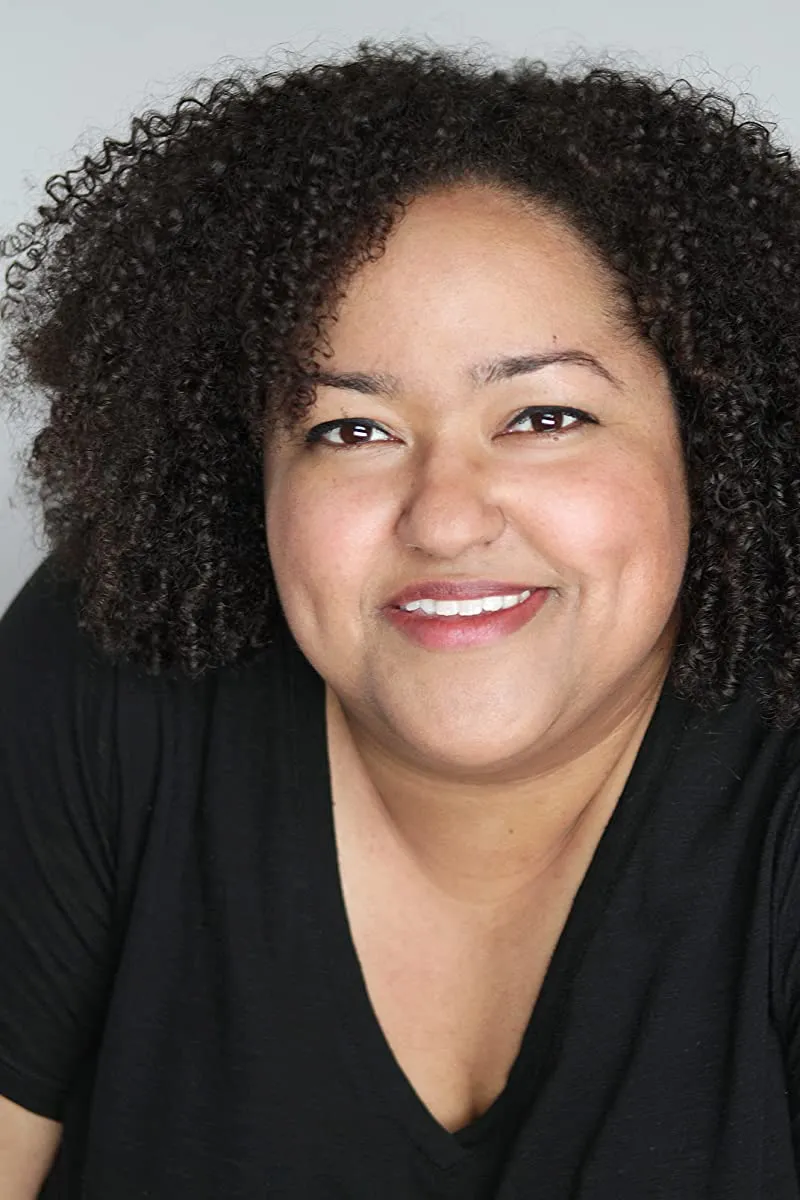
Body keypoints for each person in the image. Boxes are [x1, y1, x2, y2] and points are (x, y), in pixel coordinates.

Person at [1, 39, 800, 1199]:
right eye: (350, 430)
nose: (444, 518)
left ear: (714, 446)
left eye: (542, 417)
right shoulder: (109, 658)